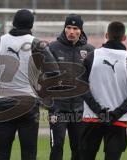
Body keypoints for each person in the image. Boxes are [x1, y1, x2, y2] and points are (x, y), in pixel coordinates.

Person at [0, 9, 58, 160]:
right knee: (29, 154)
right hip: (29, 104)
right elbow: (54, 72)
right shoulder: (37, 44)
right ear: (31, 25)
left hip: (4, 104)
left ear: (13, 23)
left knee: (2, 154)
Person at [80, 21, 127, 160]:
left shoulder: (91, 57)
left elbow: (81, 86)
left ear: (106, 35)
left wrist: (98, 110)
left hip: (92, 117)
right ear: (124, 38)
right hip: (118, 120)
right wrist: (116, 113)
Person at [48, 14, 95, 160]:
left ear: (81, 30)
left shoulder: (90, 50)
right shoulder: (52, 48)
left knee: (79, 149)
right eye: (68, 27)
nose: (71, 31)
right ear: (64, 28)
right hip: (58, 109)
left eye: (75, 28)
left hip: (80, 110)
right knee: (57, 147)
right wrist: (51, 107)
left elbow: (93, 80)